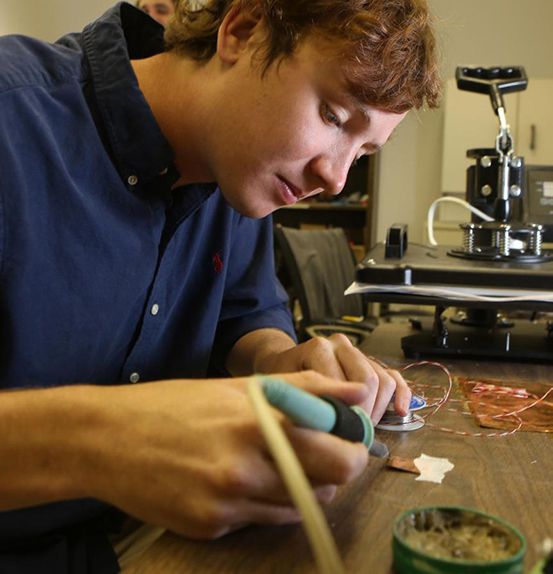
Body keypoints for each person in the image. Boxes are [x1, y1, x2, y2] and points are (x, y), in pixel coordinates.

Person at [0, 0, 440, 571]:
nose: (334, 178)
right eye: (333, 116)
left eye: (363, 151)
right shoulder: (14, 120)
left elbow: (244, 314)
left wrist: (283, 361)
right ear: (243, 29)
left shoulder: (239, 169)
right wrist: (110, 442)